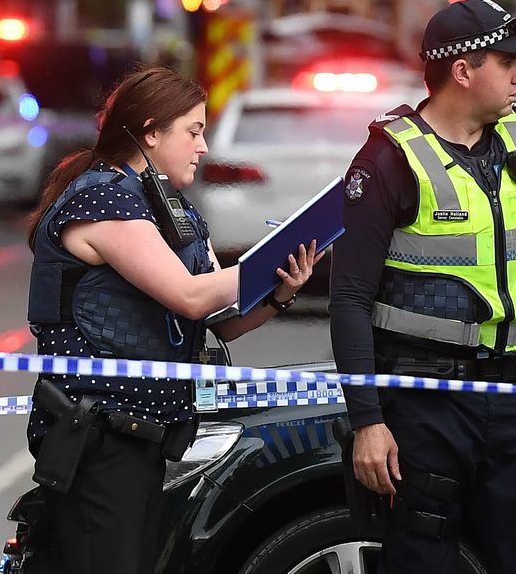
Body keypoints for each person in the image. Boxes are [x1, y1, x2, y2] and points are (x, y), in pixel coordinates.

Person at [329, 0, 516, 574]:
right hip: (423, 404)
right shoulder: (387, 160)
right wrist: (368, 422)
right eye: (508, 63)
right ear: (464, 71)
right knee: (423, 559)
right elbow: (350, 299)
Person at [23, 66, 319, 574]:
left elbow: (218, 320)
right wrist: (264, 262)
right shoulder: (103, 198)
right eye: (194, 131)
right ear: (151, 131)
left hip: (147, 435)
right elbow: (188, 295)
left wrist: (278, 294)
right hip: (101, 436)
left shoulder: (169, 207)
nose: (202, 147)